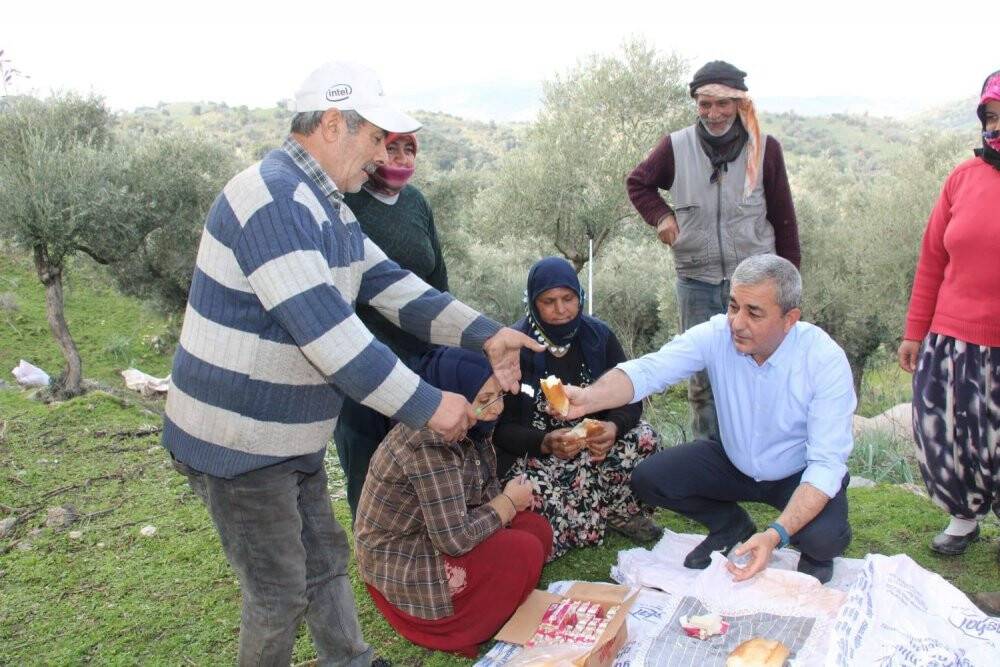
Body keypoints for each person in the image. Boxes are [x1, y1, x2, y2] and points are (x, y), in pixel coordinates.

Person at [162, 61, 543, 666]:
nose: (382, 154)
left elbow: (396, 287)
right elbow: (331, 337)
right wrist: (429, 405)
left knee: (324, 560)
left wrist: (486, 334)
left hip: (288, 436)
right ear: (335, 124)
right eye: (375, 138)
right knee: (278, 593)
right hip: (239, 440)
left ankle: (350, 660)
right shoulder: (274, 201)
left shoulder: (331, 207)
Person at [555, 254, 854, 585]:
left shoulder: (824, 360)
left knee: (823, 538)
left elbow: (826, 464)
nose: (737, 322)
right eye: (734, 306)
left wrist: (775, 535)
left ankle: (812, 553)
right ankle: (730, 525)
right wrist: (589, 398)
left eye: (754, 312)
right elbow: (651, 369)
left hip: (797, 472)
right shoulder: (717, 334)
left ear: (789, 319)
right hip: (733, 460)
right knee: (650, 478)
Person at [627, 60, 800, 443]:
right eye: (705, 104)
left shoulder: (765, 148)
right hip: (697, 282)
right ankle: (710, 458)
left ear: (739, 104)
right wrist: (661, 217)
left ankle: (763, 459)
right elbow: (638, 184)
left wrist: (791, 290)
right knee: (703, 378)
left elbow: (784, 219)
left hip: (758, 284)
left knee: (764, 369)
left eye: (723, 104)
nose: (713, 113)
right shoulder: (676, 145)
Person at [355, 347, 553, 657]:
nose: (498, 408)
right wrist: (507, 504)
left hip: (439, 532)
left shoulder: (471, 425)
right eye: (484, 399)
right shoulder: (429, 441)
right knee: (522, 550)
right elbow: (455, 539)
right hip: (403, 559)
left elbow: (482, 491)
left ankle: (492, 609)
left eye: (498, 395)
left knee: (535, 528)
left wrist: (507, 501)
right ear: (452, 396)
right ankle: (453, 628)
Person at [492, 257, 661, 559]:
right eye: (549, 301)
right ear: (533, 303)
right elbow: (499, 429)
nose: (560, 310)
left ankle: (620, 512)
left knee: (644, 438)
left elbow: (631, 396)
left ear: (579, 297)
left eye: (568, 299)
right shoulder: (516, 347)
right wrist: (545, 442)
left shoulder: (599, 337)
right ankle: (588, 515)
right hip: (540, 456)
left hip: (596, 446)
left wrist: (613, 427)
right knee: (537, 500)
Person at [897, 69, 1000, 559]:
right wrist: (915, 332)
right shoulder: (962, 178)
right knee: (948, 436)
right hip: (951, 338)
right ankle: (962, 519)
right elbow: (932, 260)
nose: (996, 127)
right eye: (991, 117)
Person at [336, 130, 449, 518]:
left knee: (416, 455)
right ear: (374, 149)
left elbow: (438, 279)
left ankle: (416, 539)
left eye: (409, 149)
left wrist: (448, 341)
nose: (401, 157)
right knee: (365, 457)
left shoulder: (417, 203)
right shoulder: (345, 203)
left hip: (418, 355)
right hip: (360, 356)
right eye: (391, 147)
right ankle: (371, 545)